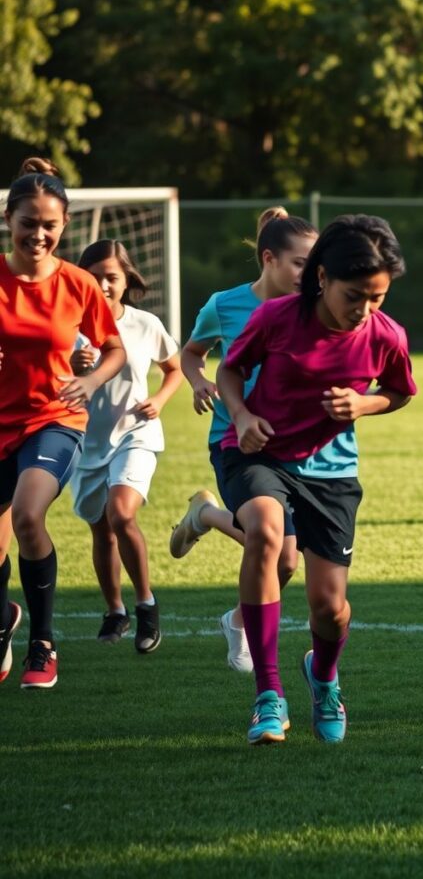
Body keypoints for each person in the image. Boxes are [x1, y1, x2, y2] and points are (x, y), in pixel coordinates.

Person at [216, 214, 416, 745]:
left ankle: (323, 676)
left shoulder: (386, 334)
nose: (365, 309)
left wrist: (364, 404)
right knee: (265, 531)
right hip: (258, 453)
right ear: (322, 277)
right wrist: (241, 416)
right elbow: (230, 370)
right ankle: (268, 694)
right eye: (355, 295)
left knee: (330, 608)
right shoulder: (277, 317)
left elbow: (399, 392)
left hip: (331, 473)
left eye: (377, 297)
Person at [169, 208, 317, 671]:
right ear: (269, 258)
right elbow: (192, 353)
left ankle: (233, 608)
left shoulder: (312, 307)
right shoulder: (224, 305)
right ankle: (254, 645)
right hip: (235, 442)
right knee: (266, 536)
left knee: (287, 562)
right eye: (300, 264)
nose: (308, 275)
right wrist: (198, 381)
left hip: (290, 446)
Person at [0, 158, 125, 690]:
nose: (38, 234)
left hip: (54, 418)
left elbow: (114, 349)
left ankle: (43, 644)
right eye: (28, 223)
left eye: (49, 225)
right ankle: (4, 619)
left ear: (64, 225)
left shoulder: (78, 284)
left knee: (29, 516)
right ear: (8, 220)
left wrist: (91, 381)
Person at [69, 240, 183, 651]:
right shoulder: (66, 325)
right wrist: (71, 366)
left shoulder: (144, 323)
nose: (103, 285)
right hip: (84, 441)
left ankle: (146, 605)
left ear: (126, 280)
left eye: (111, 277)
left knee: (121, 513)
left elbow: (174, 368)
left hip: (135, 433)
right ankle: (115, 610)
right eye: (93, 277)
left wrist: (160, 399)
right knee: (101, 530)